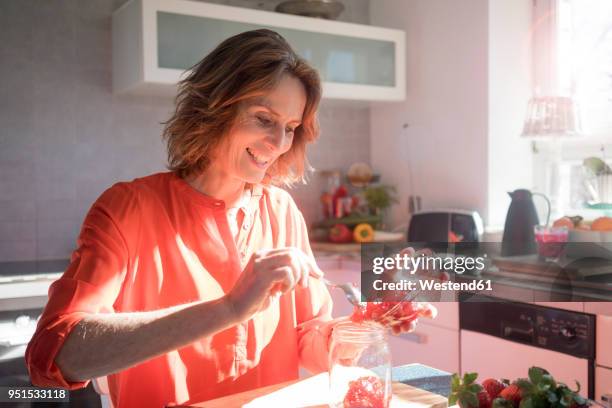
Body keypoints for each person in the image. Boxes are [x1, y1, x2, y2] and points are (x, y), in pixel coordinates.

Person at [25, 29, 414, 408]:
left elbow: (307, 340)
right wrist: (228, 309)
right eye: (264, 118)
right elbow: (53, 358)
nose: (279, 143)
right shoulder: (129, 209)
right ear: (214, 107)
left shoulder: (282, 212)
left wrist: (362, 328)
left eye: (291, 128)